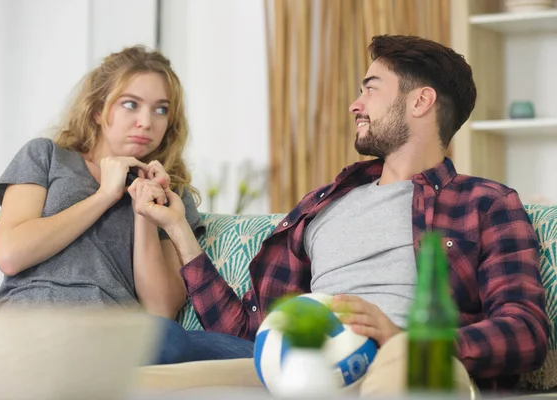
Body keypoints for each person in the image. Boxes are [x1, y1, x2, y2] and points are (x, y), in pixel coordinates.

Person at [134, 35, 549, 393]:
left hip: (406, 362)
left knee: (403, 376)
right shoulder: (321, 208)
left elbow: (526, 332)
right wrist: (177, 228)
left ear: (421, 100)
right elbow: (245, 333)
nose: (355, 104)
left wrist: (403, 339)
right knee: (154, 341)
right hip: (296, 363)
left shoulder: (485, 203)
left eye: (370, 89)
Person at [0, 45, 254, 364]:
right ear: (98, 110)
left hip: (118, 333)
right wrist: (104, 196)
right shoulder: (45, 156)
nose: (146, 121)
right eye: (131, 104)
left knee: (250, 354)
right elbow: (10, 255)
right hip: (36, 318)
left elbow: (160, 309)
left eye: (161, 110)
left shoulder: (171, 193)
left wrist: (144, 210)